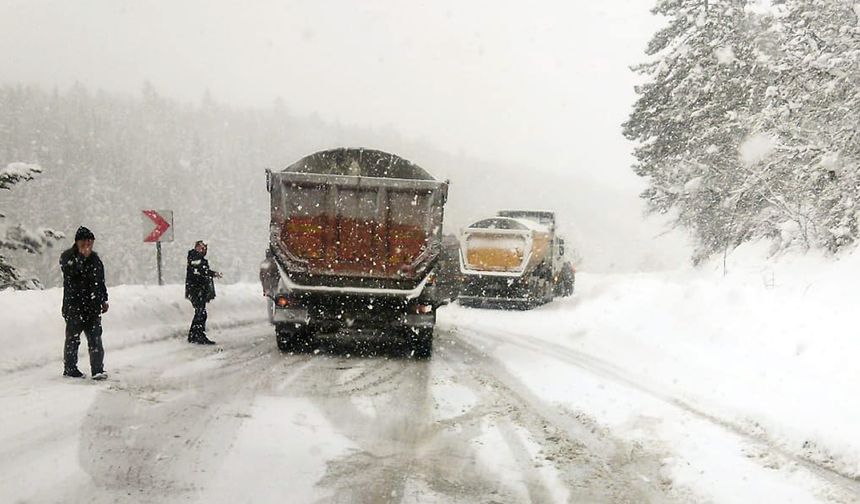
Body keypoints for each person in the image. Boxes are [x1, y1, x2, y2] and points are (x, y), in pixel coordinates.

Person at [60, 226, 109, 380]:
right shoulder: (68, 258)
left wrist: (103, 299)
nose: (87, 245)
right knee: (73, 339)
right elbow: (72, 278)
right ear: (77, 242)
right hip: (74, 305)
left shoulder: (96, 260)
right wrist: (81, 259)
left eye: (90, 242)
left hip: (93, 306)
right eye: (84, 242)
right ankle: (70, 369)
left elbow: (100, 281)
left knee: (95, 339)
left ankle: (97, 369)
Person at [185, 240, 222, 345]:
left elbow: (202, 271)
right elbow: (200, 270)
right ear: (196, 247)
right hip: (196, 290)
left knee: (200, 312)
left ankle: (195, 334)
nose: (203, 250)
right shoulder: (194, 258)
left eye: (205, 248)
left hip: (199, 290)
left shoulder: (197, 259)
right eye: (201, 248)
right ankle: (197, 334)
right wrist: (212, 273)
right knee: (201, 313)